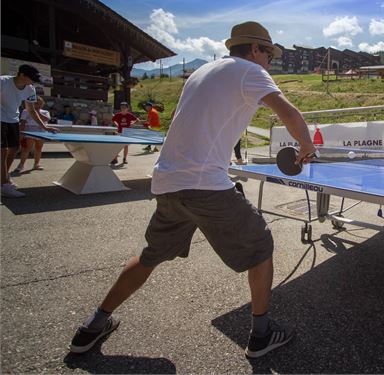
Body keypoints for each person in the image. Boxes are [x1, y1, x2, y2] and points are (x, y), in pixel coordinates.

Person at [69, 21, 316, 358]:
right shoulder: (249, 70)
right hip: (205, 186)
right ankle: (261, 335)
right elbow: (289, 113)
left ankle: (92, 326)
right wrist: (307, 148)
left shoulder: (204, 72)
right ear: (255, 49)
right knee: (261, 245)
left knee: (149, 255)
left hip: (168, 183)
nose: (270, 61)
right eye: (269, 53)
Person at [1, 64, 57, 198]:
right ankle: (4, 184)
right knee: (2, 151)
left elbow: (31, 110)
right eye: (31, 78)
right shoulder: (3, 81)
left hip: (13, 119)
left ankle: (4, 177)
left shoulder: (30, 89)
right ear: (21, 75)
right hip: (0, 118)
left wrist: (44, 127)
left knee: (14, 149)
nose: (33, 81)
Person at [15, 96, 50, 172]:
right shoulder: (25, 111)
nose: (38, 105)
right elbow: (22, 122)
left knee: (39, 148)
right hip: (29, 131)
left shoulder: (45, 112)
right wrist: (21, 133)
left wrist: (36, 112)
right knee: (27, 148)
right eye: (36, 103)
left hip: (41, 131)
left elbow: (46, 119)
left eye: (40, 104)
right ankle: (21, 165)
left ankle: (36, 164)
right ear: (32, 103)